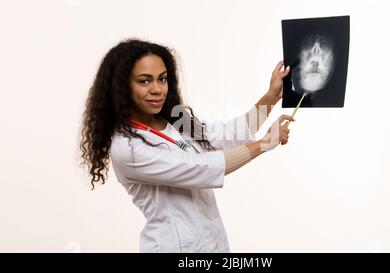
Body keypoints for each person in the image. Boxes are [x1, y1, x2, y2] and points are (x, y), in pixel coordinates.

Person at [79, 39, 294, 253]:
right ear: (122, 86)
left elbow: (224, 135)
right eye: (144, 81)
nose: (157, 89)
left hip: (211, 246)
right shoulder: (127, 148)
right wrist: (265, 143)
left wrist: (271, 97)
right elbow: (200, 167)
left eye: (162, 79)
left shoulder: (174, 121)